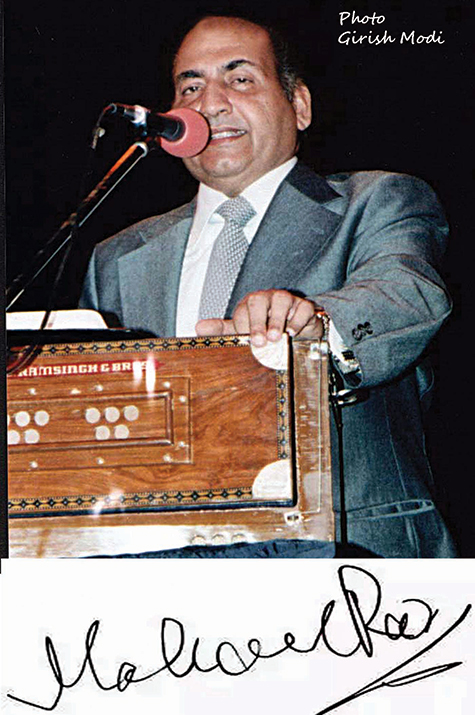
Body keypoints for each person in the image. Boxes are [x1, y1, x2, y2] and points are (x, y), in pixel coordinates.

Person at [80, 15, 456, 558]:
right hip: (163, 579)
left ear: (299, 106)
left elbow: (409, 293)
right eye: (191, 86)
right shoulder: (117, 257)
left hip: (349, 563)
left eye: (240, 79)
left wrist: (314, 324)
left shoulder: (375, 201)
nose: (209, 103)